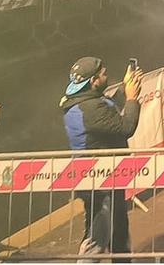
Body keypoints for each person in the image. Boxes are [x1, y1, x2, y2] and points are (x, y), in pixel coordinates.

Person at [60, 56, 141, 258]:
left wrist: (125, 88)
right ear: (93, 80)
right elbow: (125, 127)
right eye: (103, 74)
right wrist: (132, 98)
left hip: (108, 177)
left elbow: (109, 116)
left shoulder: (86, 101)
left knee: (119, 233)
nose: (107, 75)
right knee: (96, 239)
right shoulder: (90, 108)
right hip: (100, 181)